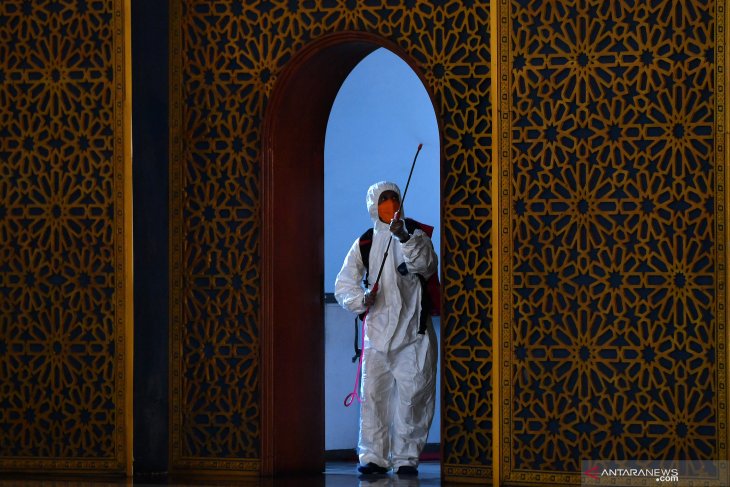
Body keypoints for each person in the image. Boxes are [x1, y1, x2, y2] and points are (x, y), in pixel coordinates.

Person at [335, 180, 438, 476]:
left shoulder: (415, 235)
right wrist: (361, 299)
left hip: (413, 336)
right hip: (376, 337)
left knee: (413, 398)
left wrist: (404, 237)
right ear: (373, 206)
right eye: (383, 199)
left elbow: (427, 265)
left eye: (394, 198)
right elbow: (343, 284)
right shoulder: (365, 243)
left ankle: (406, 458)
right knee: (373, 399)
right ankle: (373, 456)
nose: (389, 204)